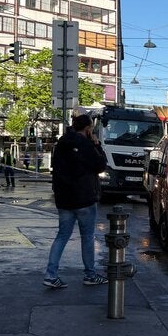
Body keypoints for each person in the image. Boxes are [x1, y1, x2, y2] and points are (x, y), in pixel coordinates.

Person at [43, 114, 108, 289]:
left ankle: (51, 274)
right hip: (84, 198)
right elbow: (101, 164)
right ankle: (90, 274)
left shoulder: (61, 143)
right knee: (87, 237)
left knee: (62, 235)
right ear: (88, 129)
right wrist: (97, 144)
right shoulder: (86, 144)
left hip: (64, 198)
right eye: (91, 129)